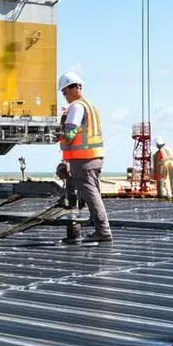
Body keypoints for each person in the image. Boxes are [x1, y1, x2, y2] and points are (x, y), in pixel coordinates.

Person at [58, 72, 112, 243]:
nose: (64, 96)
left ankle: (103, 231)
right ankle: (85, 229)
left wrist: (57, 134)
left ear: (72, 88)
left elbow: (71, 133)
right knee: (87, 193)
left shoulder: (76, 106)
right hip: (93, 158)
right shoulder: (91, 106)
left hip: (83, 160)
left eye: (64, 92)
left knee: (90, 195)